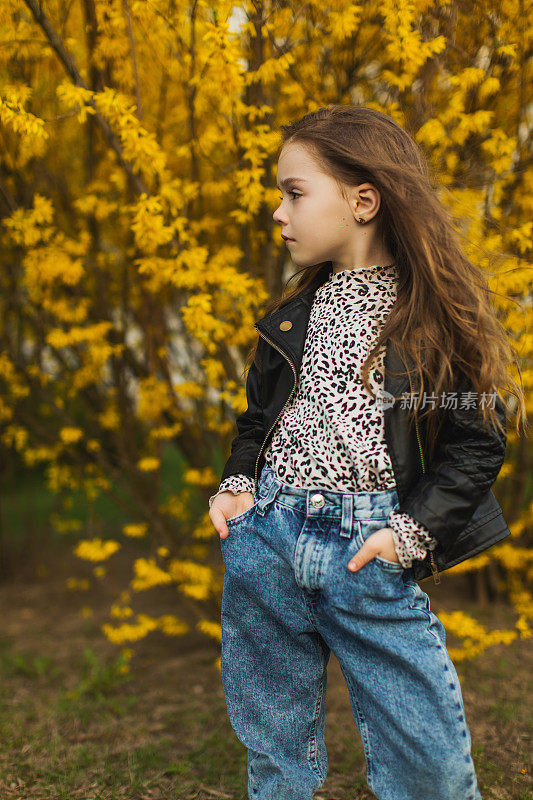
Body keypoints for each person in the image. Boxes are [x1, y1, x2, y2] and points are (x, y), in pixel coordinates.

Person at [208, 105, 527, 800]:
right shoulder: (288, 318)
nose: (277, 211)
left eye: (293, 192)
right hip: (266, 543)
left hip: (368, 551)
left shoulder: (433, 317)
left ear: (362, 201)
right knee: (275, 757)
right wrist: (237, 483)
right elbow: (256, 421)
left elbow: (474, 445)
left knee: (430, 770)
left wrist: (406, 536)